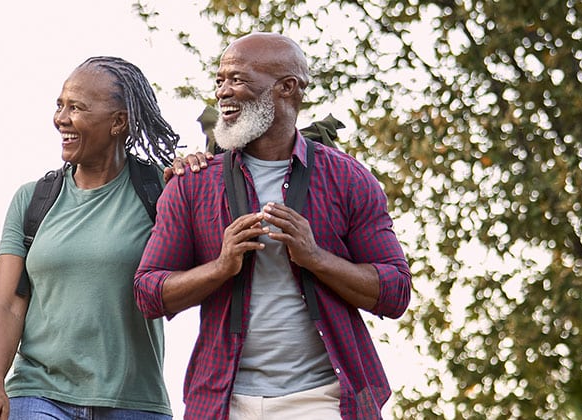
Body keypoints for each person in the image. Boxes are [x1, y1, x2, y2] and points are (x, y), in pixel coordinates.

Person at [133, 33, 413, 419]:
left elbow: (395, 291)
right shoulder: (191, 182)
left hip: (325, 400)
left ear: (287, 88)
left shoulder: (348, 179)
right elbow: (148, 292)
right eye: (220, 80)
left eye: (239, 79)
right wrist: (220, 267)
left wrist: (316, 258)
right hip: (223, 401)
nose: (223, 93)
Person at [0, 57, 187, 420]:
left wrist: (197, 172)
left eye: (76, 107)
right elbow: (8, 302)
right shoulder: (33, 200)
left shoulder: (161, 191)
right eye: (60, 105)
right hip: (38, 393)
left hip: (134, 401)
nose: (61, 118)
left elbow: (191, 276)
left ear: (118, 121)